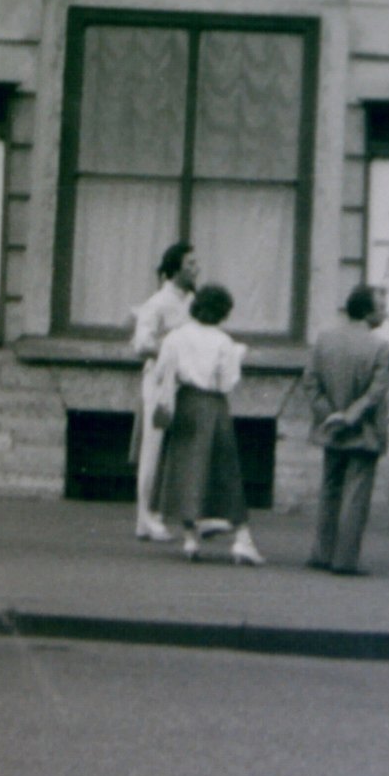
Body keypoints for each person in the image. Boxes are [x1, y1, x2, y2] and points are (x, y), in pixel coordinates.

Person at [150, 283, 262, 564]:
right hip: (212, 406)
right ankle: (241, 537)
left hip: (185, 403)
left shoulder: (175, 337)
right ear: (223, 312)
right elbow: (227, 382)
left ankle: (190, 538)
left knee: (187, 469)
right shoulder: (224, 342)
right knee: (224, 469)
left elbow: (162, 372)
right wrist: (238, 355)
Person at [298, 285, 389, 576]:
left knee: (330, 490)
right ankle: (345, 559)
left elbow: (310, 382)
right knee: (356, 496)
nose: (385, 312)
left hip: (332, 429)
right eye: (381, 307)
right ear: (367, 311)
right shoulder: (379, 346)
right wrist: (350, 417)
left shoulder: (325, 339)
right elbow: (375, 393)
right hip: (363, 431)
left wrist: (330, 415)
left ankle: (321, 553)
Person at [129, 242, 199, 542]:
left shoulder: (193, 301)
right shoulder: (158, 302)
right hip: (159, 382)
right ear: (175, 269)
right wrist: (170, 351)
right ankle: (145, 517)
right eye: (190, 264)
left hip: (187, 382)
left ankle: (161, 514)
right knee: (153, 447)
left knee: (178, 447)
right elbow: (141, 343)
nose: (196, 269)